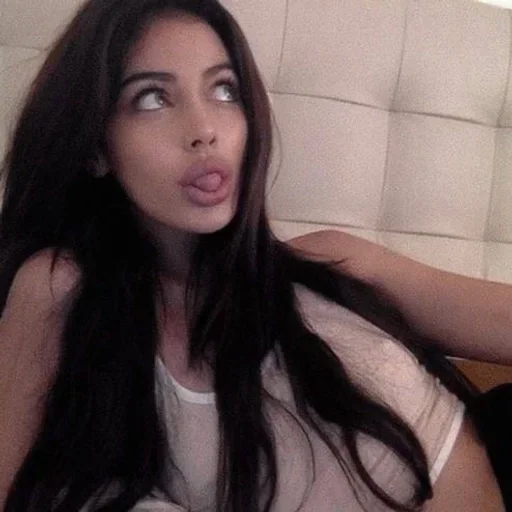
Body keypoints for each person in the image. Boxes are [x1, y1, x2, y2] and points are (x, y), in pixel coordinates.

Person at [0, 0, 507, 510]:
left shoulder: (329, 261)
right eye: (153, 97)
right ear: (96, 148)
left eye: (225, 90)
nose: (205, 130)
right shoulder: (62, 290)